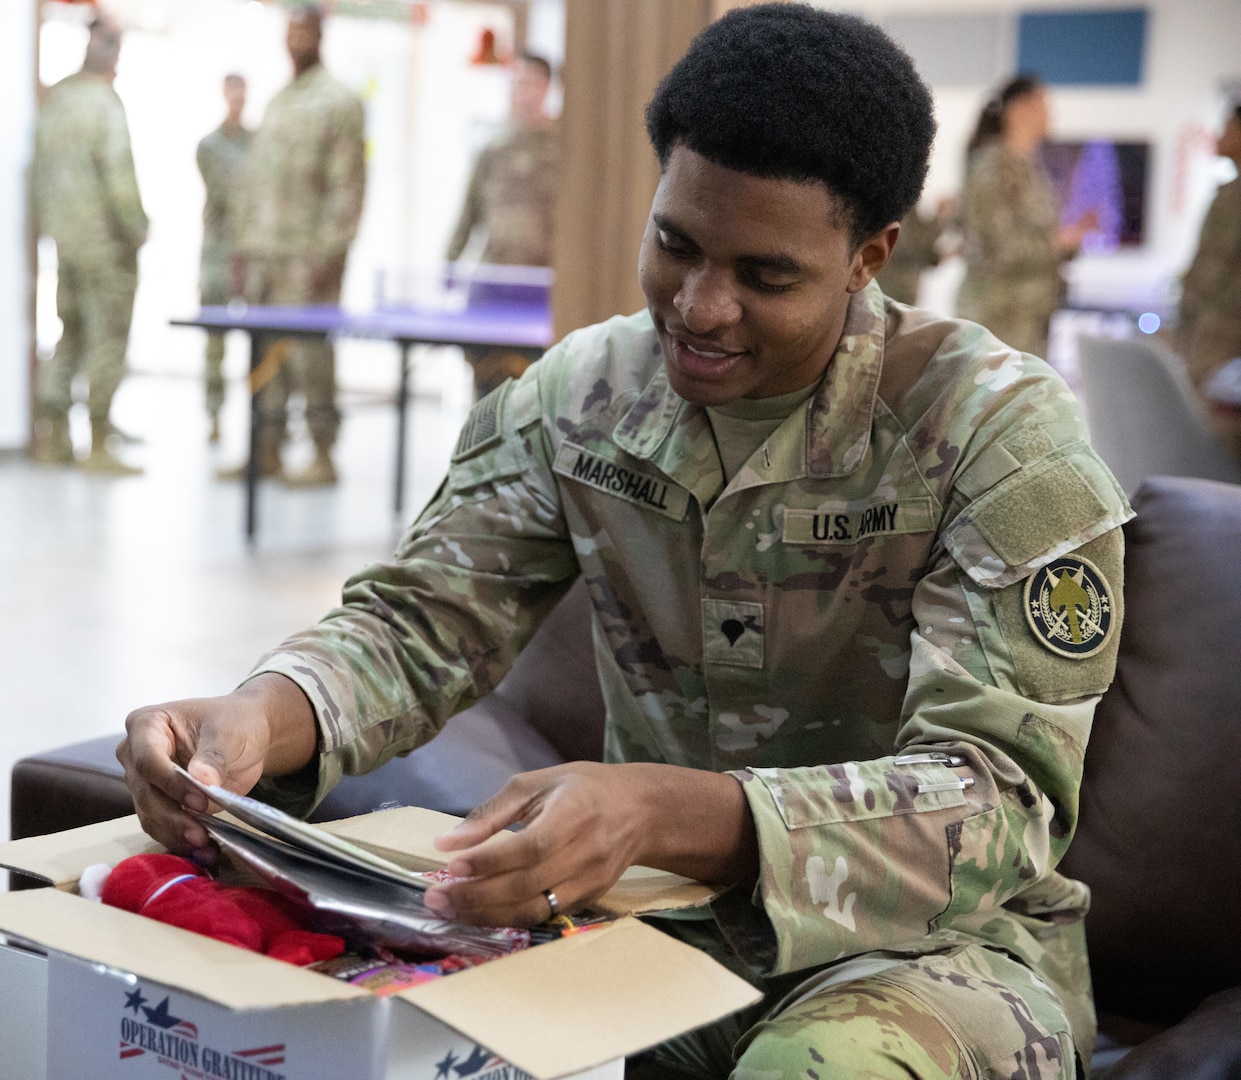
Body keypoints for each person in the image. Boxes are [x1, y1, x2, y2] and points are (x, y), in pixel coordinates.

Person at [119, 7, 1132, 1077]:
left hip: (934, 954)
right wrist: (259, 716)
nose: (699, 307)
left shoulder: (991, 433)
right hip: (653, 924)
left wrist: (659, 810)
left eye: (764, 275)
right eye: (674, 244)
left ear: (867, 256)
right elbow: (420, 622)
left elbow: (995, 801)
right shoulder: (581, 397)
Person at [224, 4, 366, 487]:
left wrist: (330, 251)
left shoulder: (339, 101)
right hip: (266, 254)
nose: (295, 41)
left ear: (320, 35)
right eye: (289, 32)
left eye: (303, 32)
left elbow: (348, 184)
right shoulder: (279, 100)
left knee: (311, 357)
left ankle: (323, 452)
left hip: (308, 257)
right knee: (266, 357)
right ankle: (266, 449)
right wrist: (243, 247)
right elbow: (256, 181)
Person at [30, 14, 148, 476]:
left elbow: (39, 174)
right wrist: (137, 228)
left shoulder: (57, 102)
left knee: (70, 334)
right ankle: (98, 442)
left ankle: (53, 438)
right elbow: (119, 179)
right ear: (114, 54)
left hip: (66, 242)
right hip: (104, 245)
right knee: (108, 338)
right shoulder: (104, 103)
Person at [445, 52, 559, 398]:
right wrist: (448, 264)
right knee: (486, 387)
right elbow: (467, 216)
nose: (521, 90)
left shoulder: (564, 149)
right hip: (493, 286)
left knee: (537, 388)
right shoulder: (492, 150)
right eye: (516, 82)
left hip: (542, 288)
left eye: (530, 82)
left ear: (547, 87)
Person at [957, 75, 1096, 357]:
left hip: (1028, 318)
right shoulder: (994, 167)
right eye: (1043, 104)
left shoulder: (1029, 169)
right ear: (1020, 108)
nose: (1050, 114)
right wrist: (1056, 243)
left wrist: (1067, 241)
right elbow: (997, 246)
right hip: (998, 320)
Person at [1177, 101, 1241, 460]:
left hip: (1225, 345)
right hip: (1208, 340)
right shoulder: (1229, 194)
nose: (1220, 136)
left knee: (1219, 448)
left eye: (1229, 128)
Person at [196, 74, 253, 444]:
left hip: (253, 254)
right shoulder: (209, 146)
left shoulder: (257, 143)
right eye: (233, 92)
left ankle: (261, 420)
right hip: (218, 254)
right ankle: (214, 414)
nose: (237, 99)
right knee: (214, 342)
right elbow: (226, 192)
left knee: (261, 339)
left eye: (242, 93)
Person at [873, 195, 957, 306]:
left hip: (897, 285)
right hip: (888, 279)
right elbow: (914, 247)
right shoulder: (906, 210)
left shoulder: (911, 213)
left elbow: (920, 249)